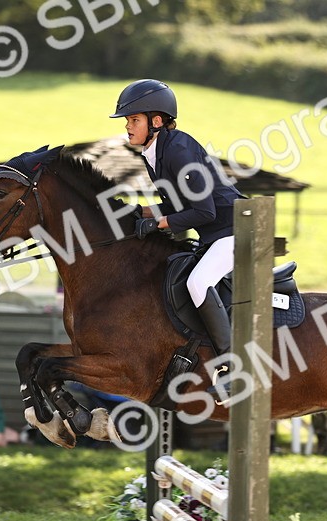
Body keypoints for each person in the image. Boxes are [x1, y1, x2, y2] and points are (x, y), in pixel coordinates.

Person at [110, 78, 246, 401]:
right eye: (128, 121)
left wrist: (159, 223)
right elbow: (175, 203)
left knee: (197, 283)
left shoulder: (179, 151)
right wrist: (135, 213)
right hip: (214, 235)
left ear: (156, 122)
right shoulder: (153, 153)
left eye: (134, 120)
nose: (128, 127)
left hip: (234, 232)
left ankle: (232, 370)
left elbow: (204, 211)